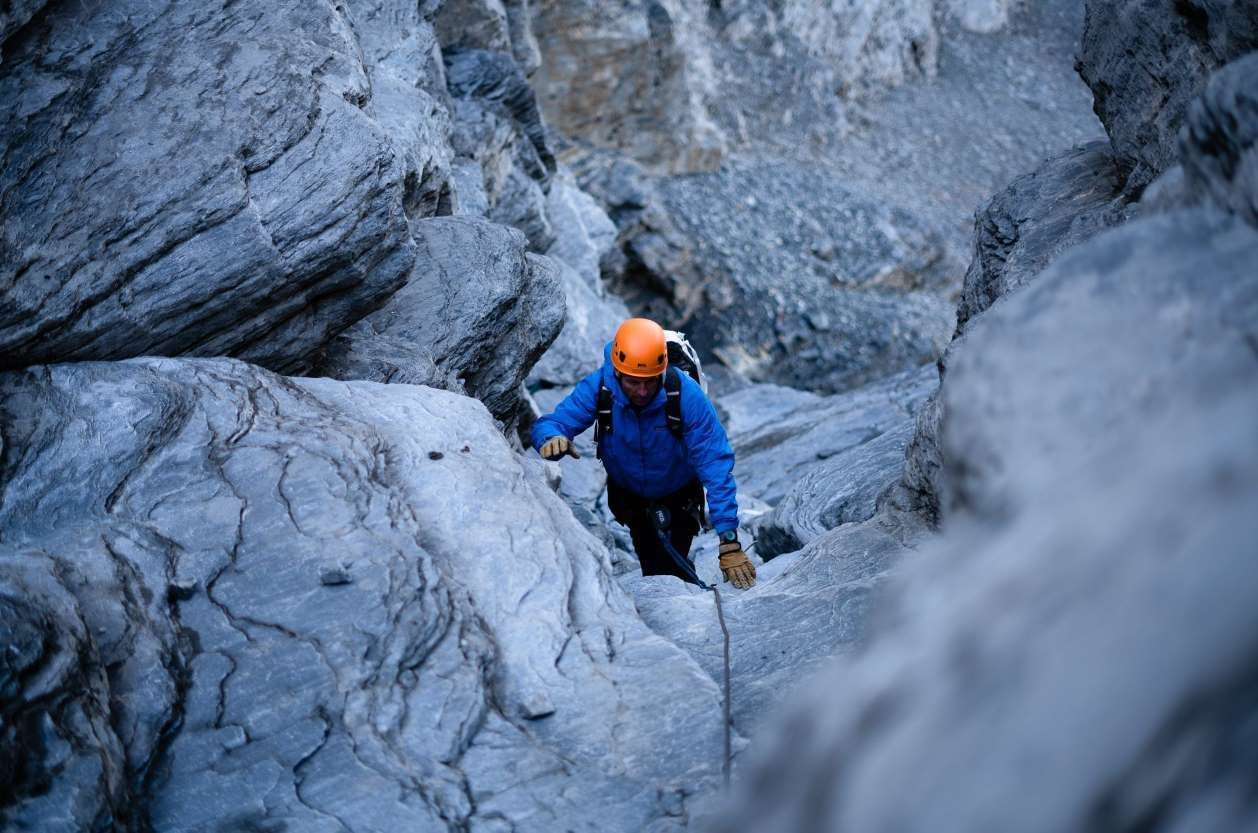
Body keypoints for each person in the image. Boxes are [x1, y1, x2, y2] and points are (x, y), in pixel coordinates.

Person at [531, 318, 756, 589]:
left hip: (680, 495)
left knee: (671, 570)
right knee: (653, 566)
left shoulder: (686, 396)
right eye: (633, 382)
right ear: (616, 372)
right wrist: (551, 438)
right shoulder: (600, 388)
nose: (642, 391)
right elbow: (553, 423)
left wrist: (729, 542)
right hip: (631, 499)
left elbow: (715, 465)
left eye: (650, 382)